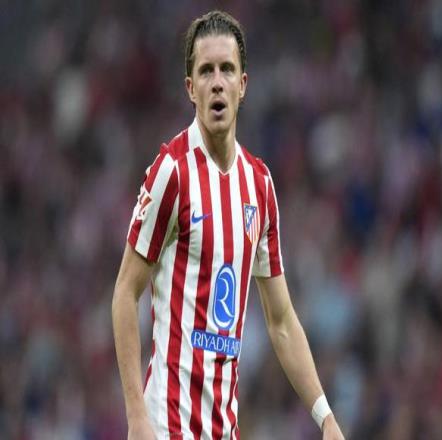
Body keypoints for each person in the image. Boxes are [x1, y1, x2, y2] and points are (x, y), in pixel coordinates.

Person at [112, 10, 345, 440]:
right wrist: (136, 415)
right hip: (166, 425)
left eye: (226, 69)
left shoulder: (260, 186)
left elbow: (281, 320)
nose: (217, 82)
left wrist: (325, 417)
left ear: (243, 84)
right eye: (206, 71)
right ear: (190, 88)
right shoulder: (172, 172)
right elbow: (126, 293)